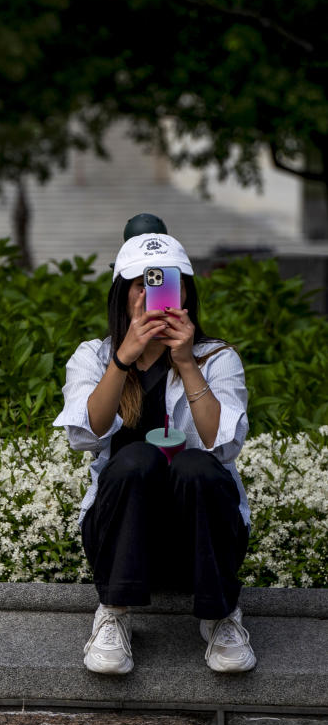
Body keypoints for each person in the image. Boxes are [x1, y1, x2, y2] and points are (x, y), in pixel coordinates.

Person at [53, 233, 257, 675]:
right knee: (138, 459)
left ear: (185, 294)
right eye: (141, 283)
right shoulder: (95, 356)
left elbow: (223, 446)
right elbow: (84, 437)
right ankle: (114, 613)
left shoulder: (217, 357)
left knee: (194, 463)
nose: (152, 295)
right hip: (121, 540)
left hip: (201, 539)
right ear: (122, 294)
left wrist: (186, 362)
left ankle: (221, 616)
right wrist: (122, 360)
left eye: (167, 283)